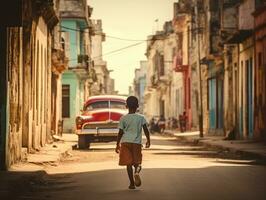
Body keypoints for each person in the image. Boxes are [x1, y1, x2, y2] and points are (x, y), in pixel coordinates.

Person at [115, 96, 151, 190]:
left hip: (125, 143)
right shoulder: (141, 118)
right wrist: (148, 140)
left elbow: (120, 133)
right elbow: (146, 130)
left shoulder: (123, 118)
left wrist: (117, 144)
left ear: (126, 106)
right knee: (137, 163)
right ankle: (137, 172)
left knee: (128, 164)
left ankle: (131, 184)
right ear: (137, 106)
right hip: (136, 143)